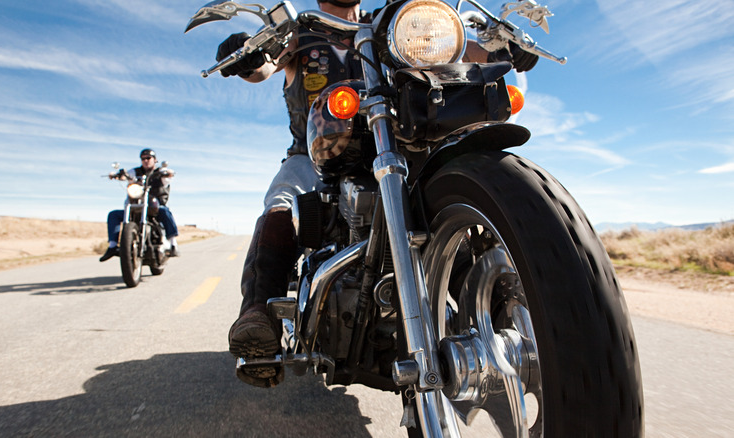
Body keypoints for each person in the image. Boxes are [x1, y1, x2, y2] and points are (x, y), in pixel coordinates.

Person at [219, 0, 539, 387]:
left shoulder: (392, 24)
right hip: (313, 153)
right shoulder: (300, 33)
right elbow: (265, 66)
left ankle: (513, 315)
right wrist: (246, 53)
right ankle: (257, 312)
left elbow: (457, 45)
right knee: (284, 199)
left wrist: (501, 52)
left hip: (389, 145)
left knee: (440, 197)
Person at [99, 148, 180, 262]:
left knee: (165, 211)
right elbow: (126, 176)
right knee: (113, 215)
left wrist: (168, 173)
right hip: (136, 206)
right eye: (143, 159)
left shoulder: (160, 172)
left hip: (154, 207)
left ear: (154, 160)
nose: (145, 161)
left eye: (148, 158)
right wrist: (118, 175)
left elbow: (168, 175)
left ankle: (173, 244)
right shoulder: (135, 172)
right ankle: (112, 246)